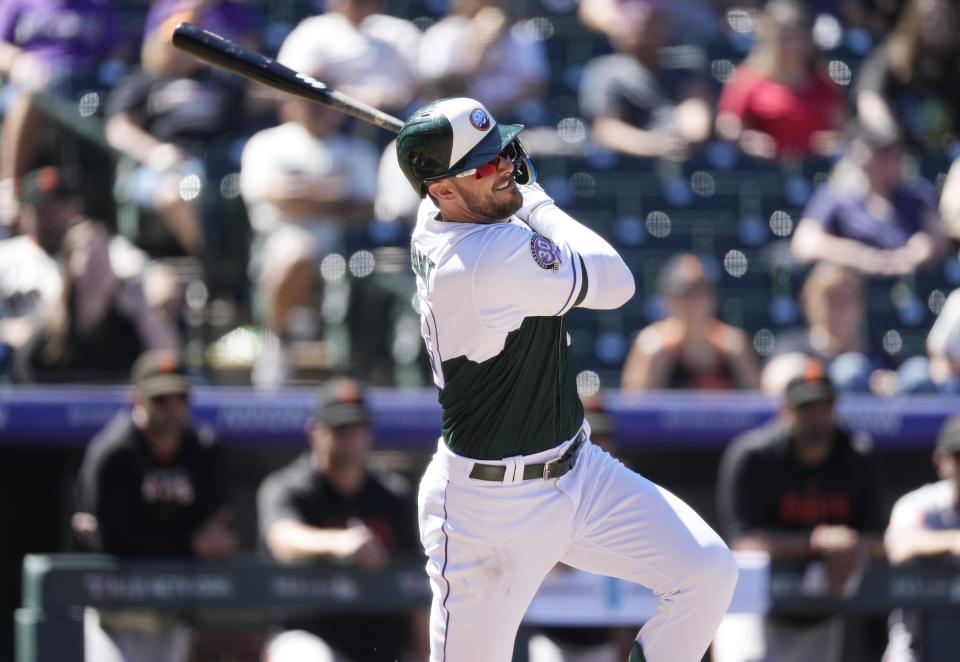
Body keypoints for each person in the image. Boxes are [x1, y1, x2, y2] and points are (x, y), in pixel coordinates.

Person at [398, 97, 738, 662]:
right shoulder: (485, 256)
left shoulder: (440, 210)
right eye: (485, 166)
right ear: (443, 190)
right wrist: (538, 202)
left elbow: (464, 177)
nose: (507, 167)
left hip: (579, 471)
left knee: (707, 571)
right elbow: (616, 281)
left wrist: (489, 175)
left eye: (504, 151)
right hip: (489, 510)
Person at [714, 361, 885, 662]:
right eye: (806, 409)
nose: (816, 418)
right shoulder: (753, 456)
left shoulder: (857, 456)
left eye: (823, 408)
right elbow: (743, 543)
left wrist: (852, 546)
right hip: (753, 604)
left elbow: (878, 537)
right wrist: (817, 542)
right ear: (786, 412)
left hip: (818, 612)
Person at [74, 349, 237, 662]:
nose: (172, 408)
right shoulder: (113, 453)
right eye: (161, 399)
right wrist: (190, 543)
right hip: (114, 605)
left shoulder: (205, 449)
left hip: (172, 605)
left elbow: (219, 527)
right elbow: (116, 541)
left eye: (180, 398)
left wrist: (190, 541)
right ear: (136, 399)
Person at [257, 377, 428, 662]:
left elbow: (415, 580)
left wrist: (425, 652)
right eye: (339, 427)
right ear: (315, 432)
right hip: (308, 635)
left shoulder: (392, 495)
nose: (350, 436)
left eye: (356, 427)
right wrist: (338, 543)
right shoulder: (289, 487)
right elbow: (281, 538)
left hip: (382, 645)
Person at [240, 98, 378, 388]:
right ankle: (277, 338)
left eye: (325, 104)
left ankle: (365, 363)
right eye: (310, 103)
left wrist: (301, 193)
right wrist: (336, 193)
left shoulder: (356, 148)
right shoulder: (267, 142)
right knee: (297, 254)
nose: (319, 110)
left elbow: (366, 205)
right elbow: (273, 194)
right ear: (289, 106)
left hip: (348, 244)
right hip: (279, 235)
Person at [791, 122, 947, 276]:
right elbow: (805, 244)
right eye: (883, 154)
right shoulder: (836, 195)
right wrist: (861, 256)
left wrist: (922, 248)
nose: (893, 161)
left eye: (897, 153)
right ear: (860, 155)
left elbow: (938, 240)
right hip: (854, 287)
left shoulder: (918, 194)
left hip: (907, 282)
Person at [716, 0, 847, 160]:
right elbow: (727, 125)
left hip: (816, 171)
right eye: (783, 30)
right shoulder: (747, 78)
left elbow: (843, 127)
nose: (791, 36)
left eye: (798, 29)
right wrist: (745, 140)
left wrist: (835, 141)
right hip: (764, 172)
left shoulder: (824, 79)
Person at [579, 2, 712, 160]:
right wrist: (653, 145)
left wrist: (679, 140)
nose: (644, 30)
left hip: (680, 154)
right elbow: (605, 130)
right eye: (637, 24)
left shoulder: (687, 64)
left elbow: (696, 123)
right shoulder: (604, 70)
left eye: (652, 23)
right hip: (629, 165)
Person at [620, 253, 761, 391]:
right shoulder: (652, 347)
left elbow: (758, 404)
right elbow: (634, 406)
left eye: (702, 293)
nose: (696, 303)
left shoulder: (734, 345)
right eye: (687, 293)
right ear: (669, 299)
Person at [883, 415, 960, 662]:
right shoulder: (920, 504)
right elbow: (898, 545)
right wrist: (951, 541)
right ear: (942, 461)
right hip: (916, 649)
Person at [276, 0, 420, 116]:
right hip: (335, 120)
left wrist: (389, 98)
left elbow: (422, 81)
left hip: (394, 116)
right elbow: (293, 83)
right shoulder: (314, 30)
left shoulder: (400, 31)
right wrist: (346, 95)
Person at [854, 0, 960, 152]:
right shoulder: (891, 58)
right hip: (899, 158)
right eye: (931, 18)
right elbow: (869, 100)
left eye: (944, 18)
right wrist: (888, 132)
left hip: (949, 157)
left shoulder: (955, 65)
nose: (937, 25)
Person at [417, 0, 549, 120]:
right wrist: (476, 50)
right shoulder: (444, 33)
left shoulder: (521, 33)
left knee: (531, 112)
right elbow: (434, 89)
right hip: (459, 118)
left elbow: (535, 88)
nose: (489, 3)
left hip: (510, 115)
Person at [762, 263, 880, 394]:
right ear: (809, 304)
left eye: (846, 300)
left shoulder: (880, 354)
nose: (837, 309)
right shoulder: (792, 345)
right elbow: (777, 381)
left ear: (861, 306)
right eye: (829, 299)